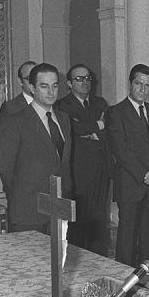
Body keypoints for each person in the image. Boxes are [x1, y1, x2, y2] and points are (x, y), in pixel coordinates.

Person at [106, 64, 149, 269]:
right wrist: (146, 175)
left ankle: (148, 278)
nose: (143, 90)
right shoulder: (116, 112)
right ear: (130, 83)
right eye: (138, 84)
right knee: (127, 239)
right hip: (131, 184)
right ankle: (124, 279)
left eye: (147, 85)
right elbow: (121, 151)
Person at [0, 63, 73, 233]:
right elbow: (5, 167)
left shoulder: (64, 119)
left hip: (59, 207)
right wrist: (19, 198)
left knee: (59, 250)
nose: (51, 92)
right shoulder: (15, 121)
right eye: (44, 86)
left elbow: (64, 164)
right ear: (32, 88)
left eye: (54, 86)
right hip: (27, 209)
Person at [55, 64, 113, 256]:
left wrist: (92, 132)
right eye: (79, 79)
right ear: (69, 83)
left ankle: (99, 260)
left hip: (101, 170)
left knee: (99, 219)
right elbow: (72, 130)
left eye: (88, 78)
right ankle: (78, 262)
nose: (85, 82)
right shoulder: (62, 105)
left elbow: (111, 130)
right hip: (77, 171)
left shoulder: (100, 103)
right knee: (78, 221)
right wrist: (99, 124)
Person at [0, 61, 36, 129]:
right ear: (20, 81)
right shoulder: (9, 109)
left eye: (37, 78)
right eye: (29, 79)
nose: (34, 82)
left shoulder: (50, 105)